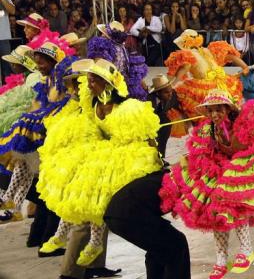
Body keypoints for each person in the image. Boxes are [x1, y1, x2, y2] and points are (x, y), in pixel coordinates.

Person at [159, 90, 254, 279]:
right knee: (214, 211)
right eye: (210, 111)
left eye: (218, 109)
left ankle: (246, 250)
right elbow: (201, 152)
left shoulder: (244, 121)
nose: (214, 114)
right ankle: (221, 259)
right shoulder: (208, 128)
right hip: (223, 167)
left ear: (228, 109)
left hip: (247, 163)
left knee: (234, 202)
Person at [37, 58, 162, 267]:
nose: (89, 85)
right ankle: (63, 234)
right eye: (88, 80)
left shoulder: (128, 108)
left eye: (94, 81)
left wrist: (157, 157)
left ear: (107, 84)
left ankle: (94, 242)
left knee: (99, 196)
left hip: (126, 155)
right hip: (103, 151)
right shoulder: (92, 103)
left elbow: (147, 136)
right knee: (79, 187)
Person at [0, 43, 75, 222]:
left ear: (52, 61)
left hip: (58, 132)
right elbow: (39, 105)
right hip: (43, 131)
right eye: (37, 63)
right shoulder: (46, 80)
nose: (39, 66)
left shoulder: (62, 80)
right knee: (24, 162)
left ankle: (11, 202)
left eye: (42, 63)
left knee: (25, 161)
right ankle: (12, 204)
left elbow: (63, 105)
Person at [165, 29, 247, 117]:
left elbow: (185, 68)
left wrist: (173, 84)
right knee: (227, 108)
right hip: (223, 82)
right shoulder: (207, 50)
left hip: (206, 87)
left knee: (206, 112)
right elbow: (231, 56)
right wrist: (245, 67)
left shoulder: (189, 54)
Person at [88, 21, 148, 100]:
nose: (102, 35)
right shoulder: (122, 47)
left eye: (103, 33)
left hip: (109, 83)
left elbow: (99, 65)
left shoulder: (103, 45)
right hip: (123, 83)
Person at [148, 74, 184, 152]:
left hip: (164, 123)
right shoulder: (149, 101)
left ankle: (161, 156)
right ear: (158, 93)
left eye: (171, 91)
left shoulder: (173, 95)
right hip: (150, 125)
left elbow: (179, 105)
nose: (170, 94)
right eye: (166, 92)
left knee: (163, 138)